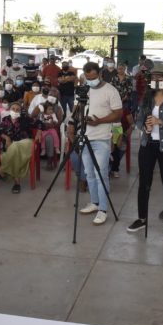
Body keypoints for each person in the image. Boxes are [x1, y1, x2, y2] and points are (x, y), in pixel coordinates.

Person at [127, 64, 163, 237]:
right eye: (153, 78)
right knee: (144, 183)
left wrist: (161, 123)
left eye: (161, 78)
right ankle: (142, 218)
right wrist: (145, 127)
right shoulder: (146, 98)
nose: (156, 81)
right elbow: (138, 121)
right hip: (148, 145)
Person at [70, 62, 123, 225]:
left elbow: (118, 114)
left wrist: (99, 121)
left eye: (93, 77)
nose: (90, 80)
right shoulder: (84, 89)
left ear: (100, 74)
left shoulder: (110, 90)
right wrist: (72, 126)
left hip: (101, 138)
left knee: (101, 174)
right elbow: (77, 109)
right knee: (89, 173)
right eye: (87, 78)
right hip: (84, 136)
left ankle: (103, 209)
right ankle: (94, 202)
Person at [0, 101, 35, 193]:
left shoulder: (25, 119)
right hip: (12, 147)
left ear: (20, 111)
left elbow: (40, 123)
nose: (15, 111)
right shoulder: (5, 119)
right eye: (13, 109)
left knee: (15, 145)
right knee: (15, 150)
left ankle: (1, 171)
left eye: (18, 109)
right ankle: (17, 183)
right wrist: (6, 137)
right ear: (9, 109)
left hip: (26, 144)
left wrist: (40, 132)